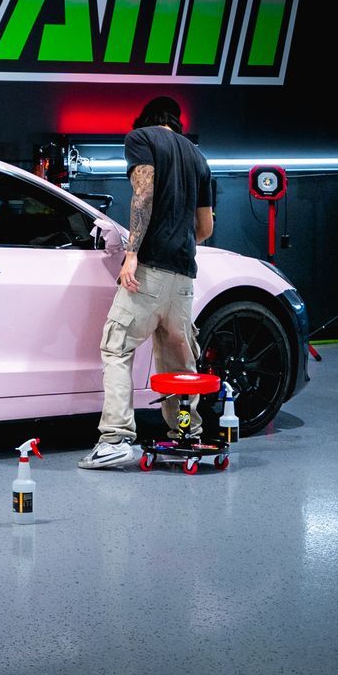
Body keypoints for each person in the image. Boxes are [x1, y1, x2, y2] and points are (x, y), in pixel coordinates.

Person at [79, 95, 214, 469]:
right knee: (178, 364)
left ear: (146, 119)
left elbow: (144, 193)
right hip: (184, 276)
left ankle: (116, 438)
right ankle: (187, 436)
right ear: (177, 122)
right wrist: (178, 239)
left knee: (117, 347)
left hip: (149, 268)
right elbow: (205, 228)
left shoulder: (141, 138)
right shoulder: (198, 157)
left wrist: (133, 253)